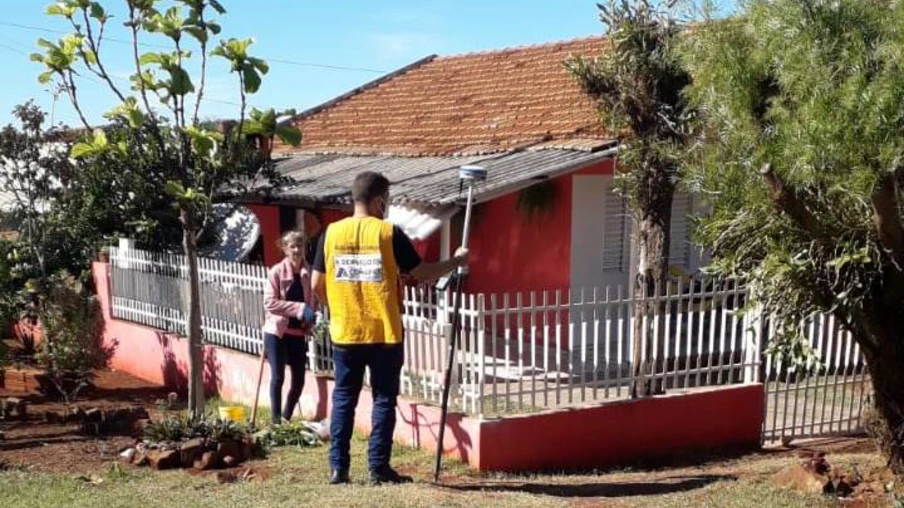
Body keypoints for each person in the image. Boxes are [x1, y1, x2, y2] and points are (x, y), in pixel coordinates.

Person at [311, 171, 468, 485]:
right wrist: (455, 261)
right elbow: (422, 272)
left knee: (343, 398)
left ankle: (338, 469)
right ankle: (378, 468)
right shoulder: (387, 233)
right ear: (379, 200)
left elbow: (316, 283)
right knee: (383, 399)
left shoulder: (330, 234)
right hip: (384, 331)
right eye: (388, 201)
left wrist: (340, 306)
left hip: (346, 332)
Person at [262, 230, 316, 424]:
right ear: (284, 249)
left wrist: (311, 317)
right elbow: (269, 303)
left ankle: (286, 417)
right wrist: (299, 308)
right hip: (277, 332)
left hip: (297, 333)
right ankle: (275, 421)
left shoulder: (309, 273)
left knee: (299, 380)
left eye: (300, 246)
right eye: (292, 246)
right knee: (278, 377)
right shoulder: (276, 272)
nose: (296, 250)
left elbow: (312, 300)